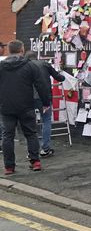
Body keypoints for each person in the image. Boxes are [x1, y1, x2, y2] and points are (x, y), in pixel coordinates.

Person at [0, 41, 49, 174]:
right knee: (31, 134)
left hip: (6, 107)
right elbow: (41, 85)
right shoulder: (30, 66)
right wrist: (46, 102)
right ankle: (35, 162)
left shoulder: (1, 66)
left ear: (9, 51)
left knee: (7, 136)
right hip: (26, 105)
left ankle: (9, 167)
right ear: (22, 50)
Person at [25, 52, 65, 157]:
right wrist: (63, 77)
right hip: (44, 98)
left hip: (28, 98)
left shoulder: (25, 66)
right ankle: (45, 148)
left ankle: (31, 151)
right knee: (46, 121)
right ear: (36, 57)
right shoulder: (44, 64)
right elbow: (59, 77)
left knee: (29, 124)